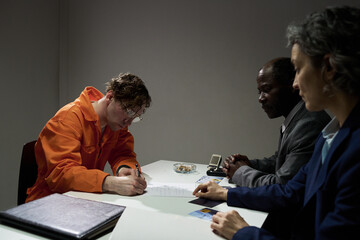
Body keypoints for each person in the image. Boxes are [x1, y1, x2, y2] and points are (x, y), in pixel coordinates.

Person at [193, 6, 360, 239]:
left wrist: (244, 233)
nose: (294, 83)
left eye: (299, 69)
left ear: (329, 67)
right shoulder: (329, 136)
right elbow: (291, 192)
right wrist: (226, 195)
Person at [26, 73, 151, 202]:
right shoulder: (67, 119)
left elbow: (123, 154)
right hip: (48, 202)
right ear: (110, 97)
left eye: (135, 117)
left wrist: (123, 168)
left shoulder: (116, 124)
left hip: (84, 199)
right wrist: (109, 183)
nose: (129, 122)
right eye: (129, 112)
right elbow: (61, 174)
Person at [223, 58, 330, 187]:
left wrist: (240, 172)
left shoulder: (308, 124)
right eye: (259, 92)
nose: (260, 99)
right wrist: (250, 164)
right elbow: (282, 161)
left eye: (266, 89)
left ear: (292, 86)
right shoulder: (297, 117)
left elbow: (281, 186)